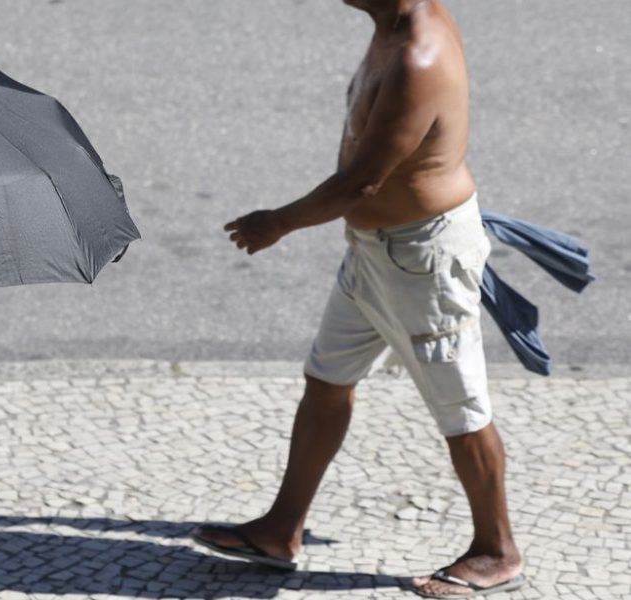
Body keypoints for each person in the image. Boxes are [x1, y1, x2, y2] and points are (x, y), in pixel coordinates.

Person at [192, 1, 525, 597]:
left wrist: (278, 223)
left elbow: (362, 181)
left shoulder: (417, 55)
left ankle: (496, 549)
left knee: (462, 408)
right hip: (375, 250)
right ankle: (281, 529)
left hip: (422, 259)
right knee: (327, 376)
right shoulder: (392, 29)